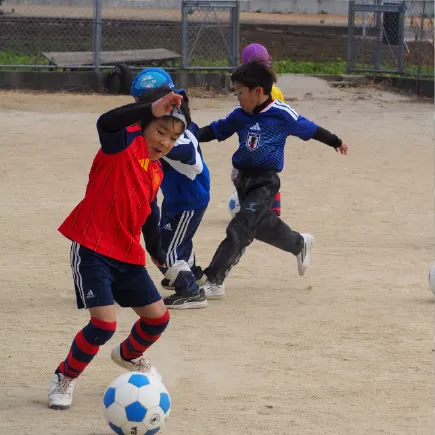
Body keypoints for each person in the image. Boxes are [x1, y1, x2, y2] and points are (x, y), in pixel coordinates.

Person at [48, 89, 191, 410]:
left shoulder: (156, 170)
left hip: (126, 255)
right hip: (92, 247)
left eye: (173, 137)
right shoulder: (122, 143)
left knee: (158, 318)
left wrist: (161, 256)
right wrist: (150, 108)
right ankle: (65, 376)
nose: (166, 142)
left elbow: (150, 215)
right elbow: (107, 121)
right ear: (144, 124)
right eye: (160, 131)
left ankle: (128, 355)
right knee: (103, 325)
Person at [198, 60, 349, 299]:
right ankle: (299, 243)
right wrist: (183, 133)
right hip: (243, 180)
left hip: (266, 182)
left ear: (257, 91)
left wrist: (336, 141)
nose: (237, 98)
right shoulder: (239, 114)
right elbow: (213, 131)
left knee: (241, 225)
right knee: (261, 226)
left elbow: (312, 129)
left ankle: (215, 279)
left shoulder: (282, 114)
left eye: (239, 92)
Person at [130, 68, 210, 310]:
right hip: (176, 196)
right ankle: (192, 274)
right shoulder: (172, 120)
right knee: (177, 238)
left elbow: (188, 152)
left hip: (189, 198)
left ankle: (190, 291)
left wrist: (160, 144)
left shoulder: (174, 128)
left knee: (166, 246)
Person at [229, 43, 284, 216]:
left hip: (253, 145)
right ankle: (272, 209)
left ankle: (252, 206)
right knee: (269, 177)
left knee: (238, 175)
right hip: (271, 146)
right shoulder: (276, 91)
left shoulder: (249, 90)